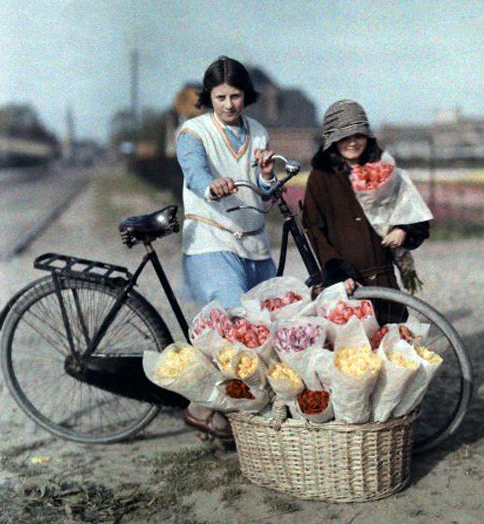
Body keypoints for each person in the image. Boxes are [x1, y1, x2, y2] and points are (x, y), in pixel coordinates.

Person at [175, 56, 276, 438]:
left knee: (267, 326)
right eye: (220, 97)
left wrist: (266, 176)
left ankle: (245, 409)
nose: (229, 104)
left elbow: (264, 195)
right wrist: (210, 185)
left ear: (246, 96)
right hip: (211, 239)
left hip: (253, 241)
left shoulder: (259, 133)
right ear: (209, 96)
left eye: (235, 96)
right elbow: (195, 170)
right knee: (233, 325)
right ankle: (201, 407)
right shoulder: (193, 132)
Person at [301, 100, 430, 320]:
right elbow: (314, 228)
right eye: (345, 136)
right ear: (332, 138)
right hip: (348, 284)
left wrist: (403, 229)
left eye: (358, 135)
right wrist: (338, 273)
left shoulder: (384, 168)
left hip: (383, 277)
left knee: (395, 340)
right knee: (354, 346)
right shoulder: (321, 177)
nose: (352, 142)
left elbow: (408, 205)